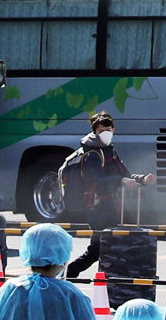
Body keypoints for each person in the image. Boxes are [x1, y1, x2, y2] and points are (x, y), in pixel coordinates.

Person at [66, 113, 155, 278]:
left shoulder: (110, 152)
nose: (105, 133)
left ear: (113, 129)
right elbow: (99, 180)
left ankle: (71, 274)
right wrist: (121, 181)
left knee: (98, 249)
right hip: (97, 209)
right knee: (108, 246)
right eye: (101, 130)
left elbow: (125, 175)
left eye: (108, 129)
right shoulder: (92, 154)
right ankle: (102, 279)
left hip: (109, 207)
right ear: (94, 132)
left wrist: (142, 179)